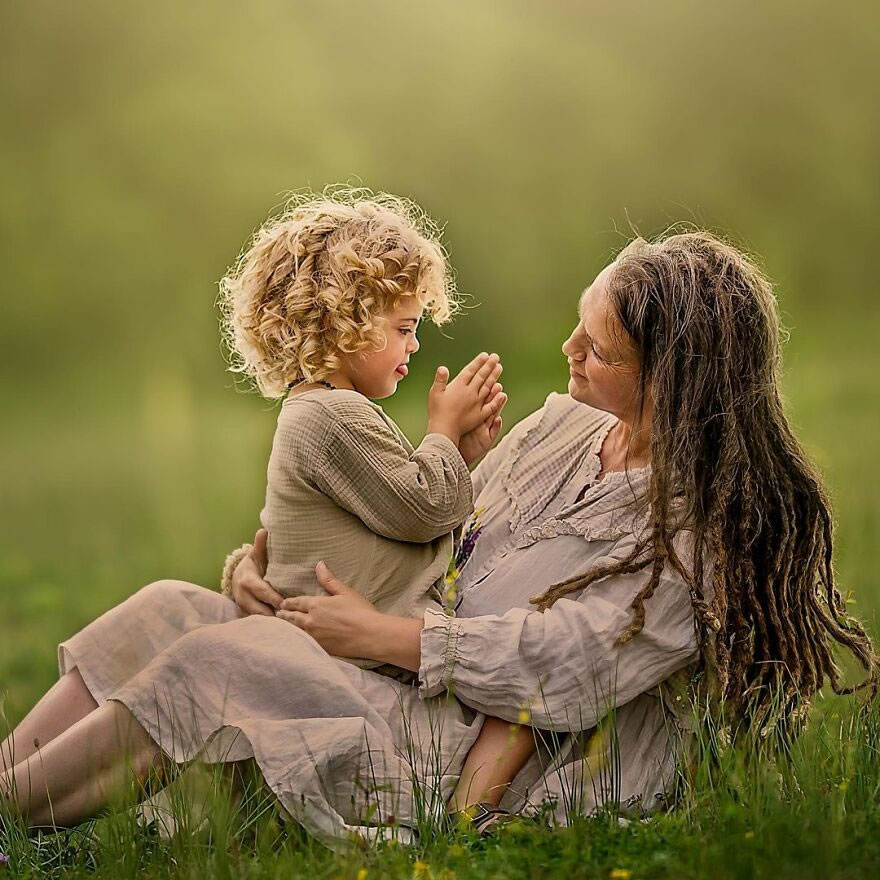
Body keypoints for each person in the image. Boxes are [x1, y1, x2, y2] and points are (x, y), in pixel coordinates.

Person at [2, 230, 876, 847]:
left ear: (673, 380)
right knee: (171, 609)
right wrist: (270, 569)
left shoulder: (700, 532)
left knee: (214, 664)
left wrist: (386, 638)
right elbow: (432, 532)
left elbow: (568, 663)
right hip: (392, 675)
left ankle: (9, 821)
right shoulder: (563, 431)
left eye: (599, 348)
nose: (569, 351)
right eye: (579, 322)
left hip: (466, 754)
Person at [214, 190, 507, 675]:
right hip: (356, 665)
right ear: (343, 323)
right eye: (403, 329)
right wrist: (442, 430)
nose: (413, 345)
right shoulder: (335, 415)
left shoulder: (310, 407)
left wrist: (456, 451)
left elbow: (382, 508)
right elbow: (422, 509)